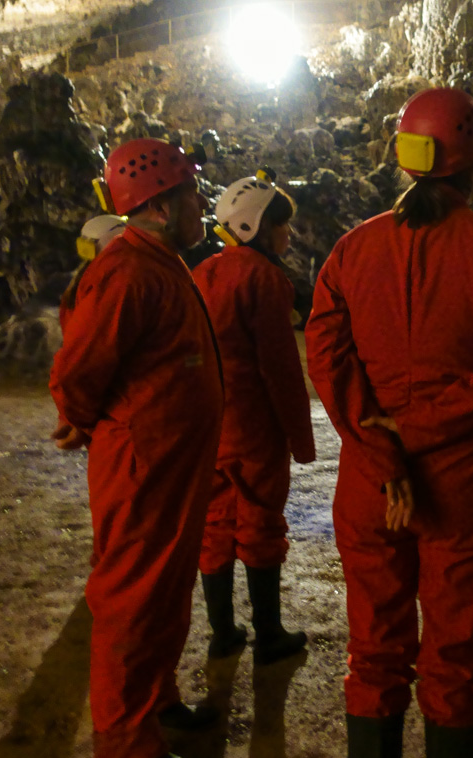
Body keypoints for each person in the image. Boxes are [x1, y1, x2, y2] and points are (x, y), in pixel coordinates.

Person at [305, 87, 473, 758]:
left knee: (374, 653)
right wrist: (422, 428)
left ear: (404, 162)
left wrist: (381, 445)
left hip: (370, 485)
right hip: (463, 484)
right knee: (455, 657)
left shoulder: (352, 250)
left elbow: (326, 352)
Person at [49, 138, 223, 758]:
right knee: (133, 597)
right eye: (191, 195)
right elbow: (78, 367)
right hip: (142, 465)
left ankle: (156, 703)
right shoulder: (126, 270)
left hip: (169, 464)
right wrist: (80, 418)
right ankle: (124, 744)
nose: (201, 204)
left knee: (167, 590)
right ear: (158, 204)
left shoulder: (160, 260)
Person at [192, 172, 314, 665]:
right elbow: (279, 368)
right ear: (255, 227)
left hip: (210, 424)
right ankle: (269, 635)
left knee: (215, 523)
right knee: (261, 520)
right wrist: (300, 439)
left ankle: (223, 632)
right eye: (280, 226)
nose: (288, 235)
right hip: (253, 427)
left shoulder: (203, 272)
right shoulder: (264, 278)